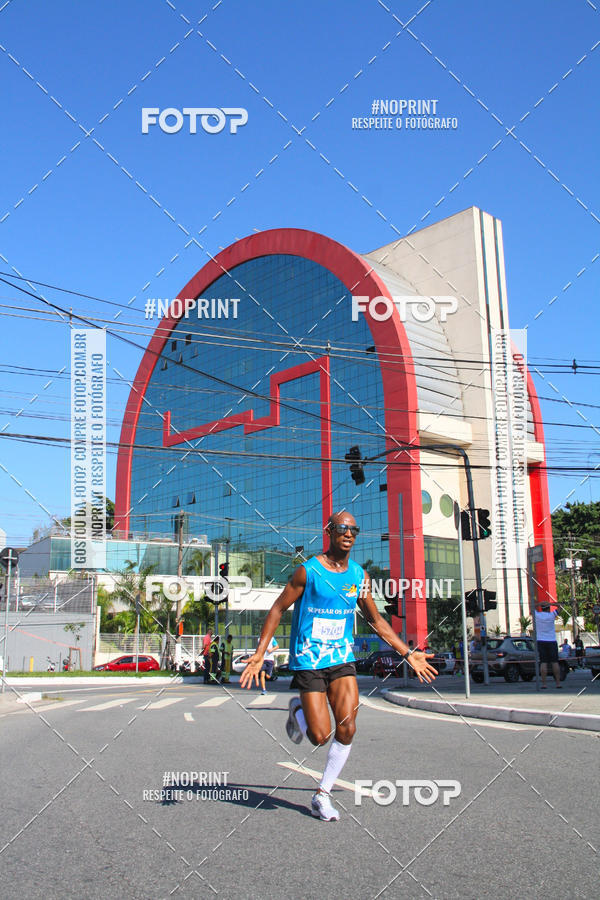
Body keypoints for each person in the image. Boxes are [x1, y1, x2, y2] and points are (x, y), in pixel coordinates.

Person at [240, 511, 438, 821]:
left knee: (348, 727)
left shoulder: (359, 576)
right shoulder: (308, 571)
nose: (348, 534)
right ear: (330, 531)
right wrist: (259, 652)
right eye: (343, 528)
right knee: (320, 736)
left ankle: (322, 795)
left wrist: (407, 652)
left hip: (341, 659)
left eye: (354, 530)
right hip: (309, 659)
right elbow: (278, 608)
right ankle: (299, 710)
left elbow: (375, 620)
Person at [534, 602, 561, 688]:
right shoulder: (552, 615)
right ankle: (558, 683)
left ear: (541, 608)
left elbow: (531, 607)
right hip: (552, 640)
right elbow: (560, 607)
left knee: (543, 662)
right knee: (555, 662)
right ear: (548, 608)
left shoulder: (537, 615)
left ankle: (544, 684)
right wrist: (551, 603)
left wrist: (539, 604)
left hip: (541, 640)